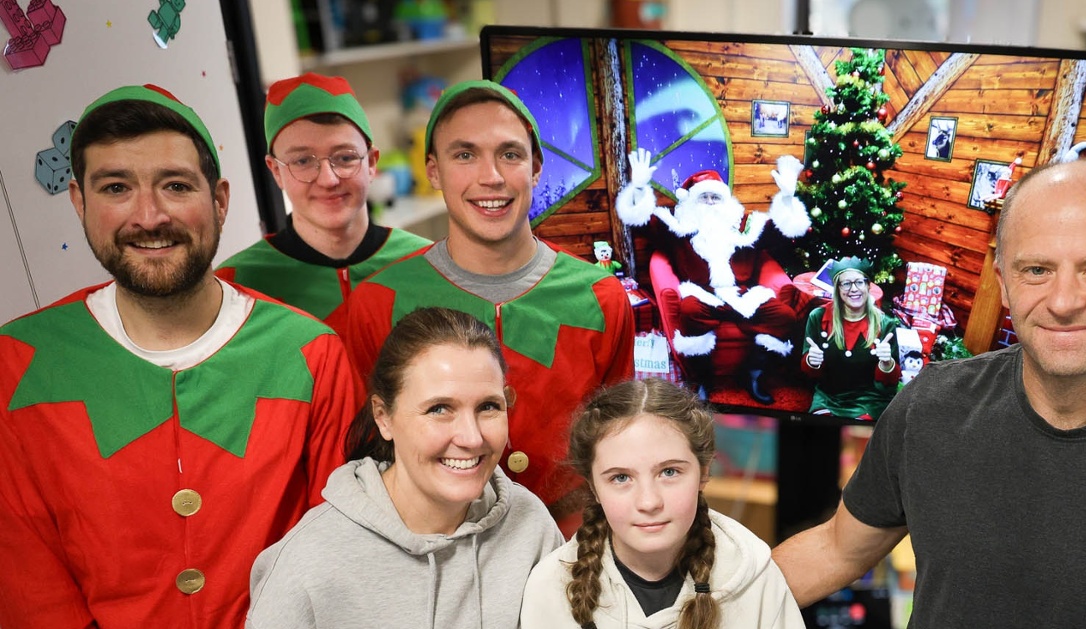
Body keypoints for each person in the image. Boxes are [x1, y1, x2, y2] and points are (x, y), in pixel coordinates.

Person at [771, 159, 1086, 627]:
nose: (1063, 302)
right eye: (1036, 270)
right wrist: (705, 602)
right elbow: (836, 549)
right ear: (1005, 284)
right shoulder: (930, 409)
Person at [0, 84, 359, 629]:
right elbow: (26, 574)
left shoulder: (311, 354)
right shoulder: (17, 363)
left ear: (219, 200)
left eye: (175, 185)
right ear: (80, 201)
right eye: (116, 187)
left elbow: (340, 556)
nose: (148, 216)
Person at [335, 80, 634, 534]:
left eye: (510, 154)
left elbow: (619, 446)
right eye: (465, 154)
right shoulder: (380, 302)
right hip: (432, 548)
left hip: (572, 548)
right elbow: (368, 453)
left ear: (536, 168)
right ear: (433, 171)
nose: (490, 176)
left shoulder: (600, 297)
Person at [248, 307, 562, 628]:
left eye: (488, 406)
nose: (471, 437)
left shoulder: (531, 525)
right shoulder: (306, 563)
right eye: (440, 409)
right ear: (384, 417)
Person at [520, 378, 804, 628]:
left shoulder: (756, 578)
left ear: (703, 472)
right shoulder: (550, 588)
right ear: (594, 487)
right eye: (620, 478)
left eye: (669, 472)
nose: (648, 502)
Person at [216, 72, 429, 321]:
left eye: (345, 157)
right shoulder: (236, 287)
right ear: (276, 172)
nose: (328, 180)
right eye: (303, 161)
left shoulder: (426, 265)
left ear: (371, 163)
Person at [615, 147, 809, 404]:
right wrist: (638, 189)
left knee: (785, 315)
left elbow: (781, 233)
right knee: (690, 310)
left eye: (715, 198)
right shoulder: (679, 230)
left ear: (726, 202)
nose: (709, 203)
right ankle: (701, 378)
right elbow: (641, 221)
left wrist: (786, 198)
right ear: (691, 203)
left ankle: (753, 373)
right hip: (703, 295)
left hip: (742, 296)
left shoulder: (745, 230)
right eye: (703, 197)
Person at [801, 257, 901, 419]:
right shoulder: (817, 317)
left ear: (868, 286)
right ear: (837, 289)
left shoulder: (886, 324)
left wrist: (887, 364)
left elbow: (888, 387)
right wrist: (812, 362)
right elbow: (810, 377)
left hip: (869, 399)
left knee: (859, 438)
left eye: (860, 282)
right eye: (846, 283)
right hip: (829, 397)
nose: (853, 289)